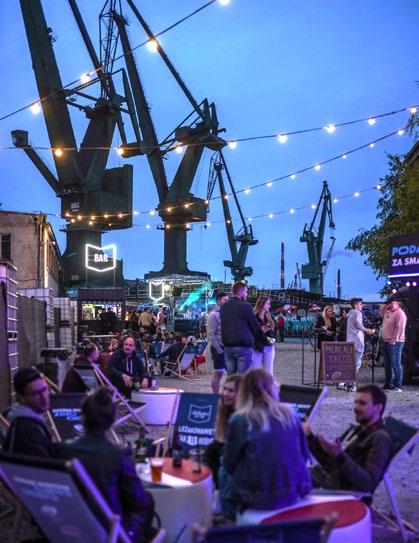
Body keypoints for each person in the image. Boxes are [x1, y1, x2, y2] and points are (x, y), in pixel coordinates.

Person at [57, 388, 154, 542]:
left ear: (83, 418)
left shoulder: (63, 450)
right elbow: (138, 500)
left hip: (71, 523)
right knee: (147, 500)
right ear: (112, 420)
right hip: (110, 529)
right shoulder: (118, 454)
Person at [220, 369, 312, 519]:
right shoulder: (290, 414)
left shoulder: (240, 419)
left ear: (244, 391)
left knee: (223, 467)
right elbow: (304, 455)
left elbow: (230, 465)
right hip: (297, 489)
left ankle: (229, 515)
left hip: (257, 497)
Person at [305, 384, 392, 495]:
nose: (356, 407)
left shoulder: (380, 439)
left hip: (339, 492)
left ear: (378, 408)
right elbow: (328, 463)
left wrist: (339, 456)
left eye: (362, 403)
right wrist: (309, 436)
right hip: (325, 477)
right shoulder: (357, 430)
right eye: (356, 402)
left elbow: (368, 483)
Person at [3, 368, 55, 458]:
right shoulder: (27, 431)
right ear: (21, 398)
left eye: (45, 390)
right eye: (36, 393)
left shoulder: (29, 421)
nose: (44, 397)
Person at [205, 374, 243, 487]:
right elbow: (223, 437)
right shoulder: (225, 409)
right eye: (224, 389)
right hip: (231, 447)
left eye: (231, 391)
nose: (225, 393)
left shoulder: (244, 415)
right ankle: (218, 485)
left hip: (247, 452)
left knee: (218, 451)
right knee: (213, 449)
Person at [220, 281, 259, 374]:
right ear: (240, 292)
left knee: (231, 378)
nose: (247, 294)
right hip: (243, 347)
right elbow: (255, 326)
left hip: (228, 348)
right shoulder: (245, 306)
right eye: (246, 292)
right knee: (244, 377)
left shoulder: (224, 307)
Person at [346, 298, 375, 388]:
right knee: (356, 363)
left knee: (351, 363)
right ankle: (352, 384)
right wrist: (368, 330)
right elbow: (358, 325)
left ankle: (348, 382)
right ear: (355, 305)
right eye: (360, 304)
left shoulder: (350, 313)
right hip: (357, 342)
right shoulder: (357, 313)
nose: (362, 305)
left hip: (350, 341)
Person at [380, 296, 407, 391]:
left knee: (396, 364)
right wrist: (384, 306)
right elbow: (381, 315)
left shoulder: (400, 313)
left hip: (396, 343)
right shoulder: (388, 311)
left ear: (398, 303)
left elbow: (400, 328)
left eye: (392, 303)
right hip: (386, 341)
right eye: (389, 303)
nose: (390, 305)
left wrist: (394, 340)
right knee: (387, 364)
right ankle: (388, 383)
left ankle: (398, 385)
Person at [207, 291, 229, 393]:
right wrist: (218, 348)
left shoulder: (227, 314)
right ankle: (215, 396)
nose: (227, 302)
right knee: (219, 373)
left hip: (228, 348)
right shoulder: (213, 315)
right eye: (225, 300)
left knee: (232, 373)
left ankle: (228, 394)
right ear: (219, 301)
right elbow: (211, 334)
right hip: (218, 348)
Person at [252, 296, 276, 375]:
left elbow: (274, 330)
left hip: (268, 346)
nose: (270, 306)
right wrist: (261, 331)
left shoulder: (270, 317)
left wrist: (269, 329)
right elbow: (250, 333)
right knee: (255, 371)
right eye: (268, 304)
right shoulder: (253, 317)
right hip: (256, 347)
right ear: (261, 304)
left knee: (268, 372)